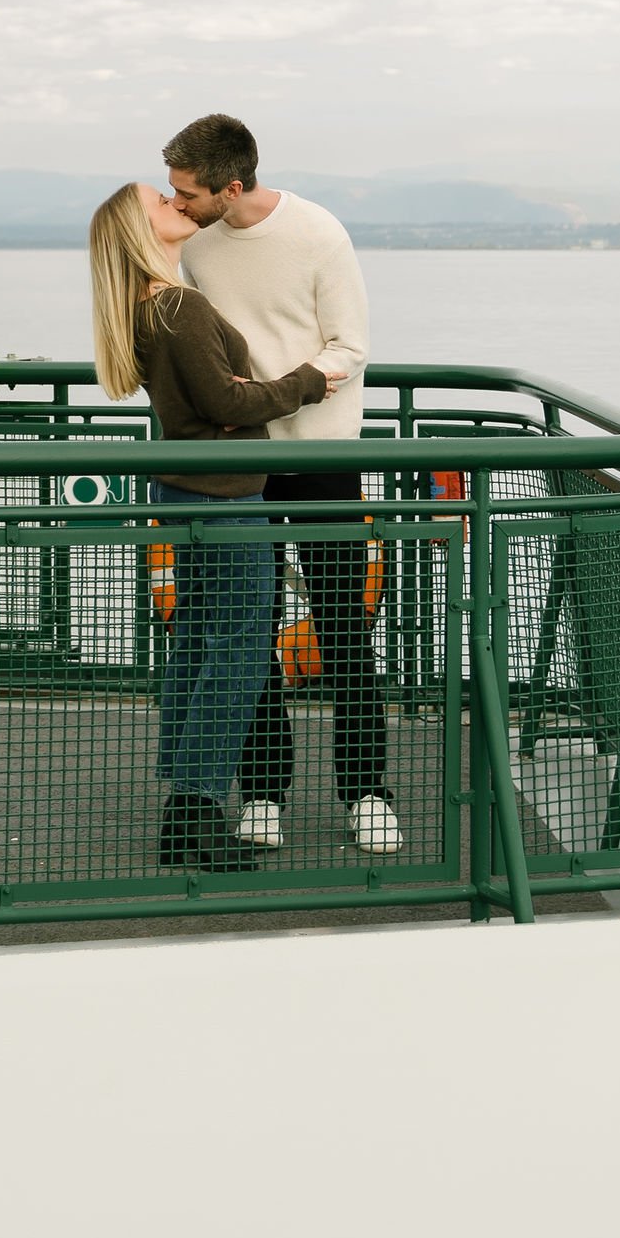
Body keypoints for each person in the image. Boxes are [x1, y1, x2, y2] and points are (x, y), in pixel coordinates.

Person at [163, 113, 401, 856]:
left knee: (344, 629)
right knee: (247, 636)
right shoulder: (189, 242)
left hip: (324, 459)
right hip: (238, 463)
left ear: (231, 187)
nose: (177, 205)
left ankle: (367, 791)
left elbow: (350, 347)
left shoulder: (319, 233)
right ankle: (263, 790)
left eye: (188, 193)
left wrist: (275, 392)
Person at [87, 181, 337, 875]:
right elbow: (227, 400)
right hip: (226, 497)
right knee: (238, 653)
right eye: (162, 202)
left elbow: (209, 402)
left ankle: (185, 817)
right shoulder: (180, 308)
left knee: (197, 646)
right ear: (144, 232)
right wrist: (310, 381)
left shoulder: (142, 311)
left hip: (183, 490)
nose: (178, 203)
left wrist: (242, 403)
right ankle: (196, 809)